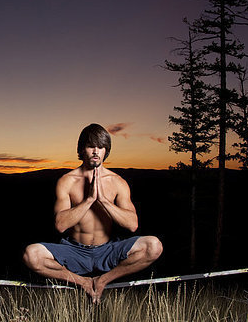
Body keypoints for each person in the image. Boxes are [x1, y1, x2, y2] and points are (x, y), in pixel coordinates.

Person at [23, 123, 163, 303]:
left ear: (106, 151)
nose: (96, 151)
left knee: (154, 246)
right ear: (82, 150)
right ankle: (83, 282)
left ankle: (102, 280)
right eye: (91, 146)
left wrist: (104, 201)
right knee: (31, 254)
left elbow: (132, 225)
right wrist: (89, 199)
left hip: (107, 250)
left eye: (101, 147)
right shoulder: (67, 181)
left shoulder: (117, 182)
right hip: (75, 251)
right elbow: (60, 225)